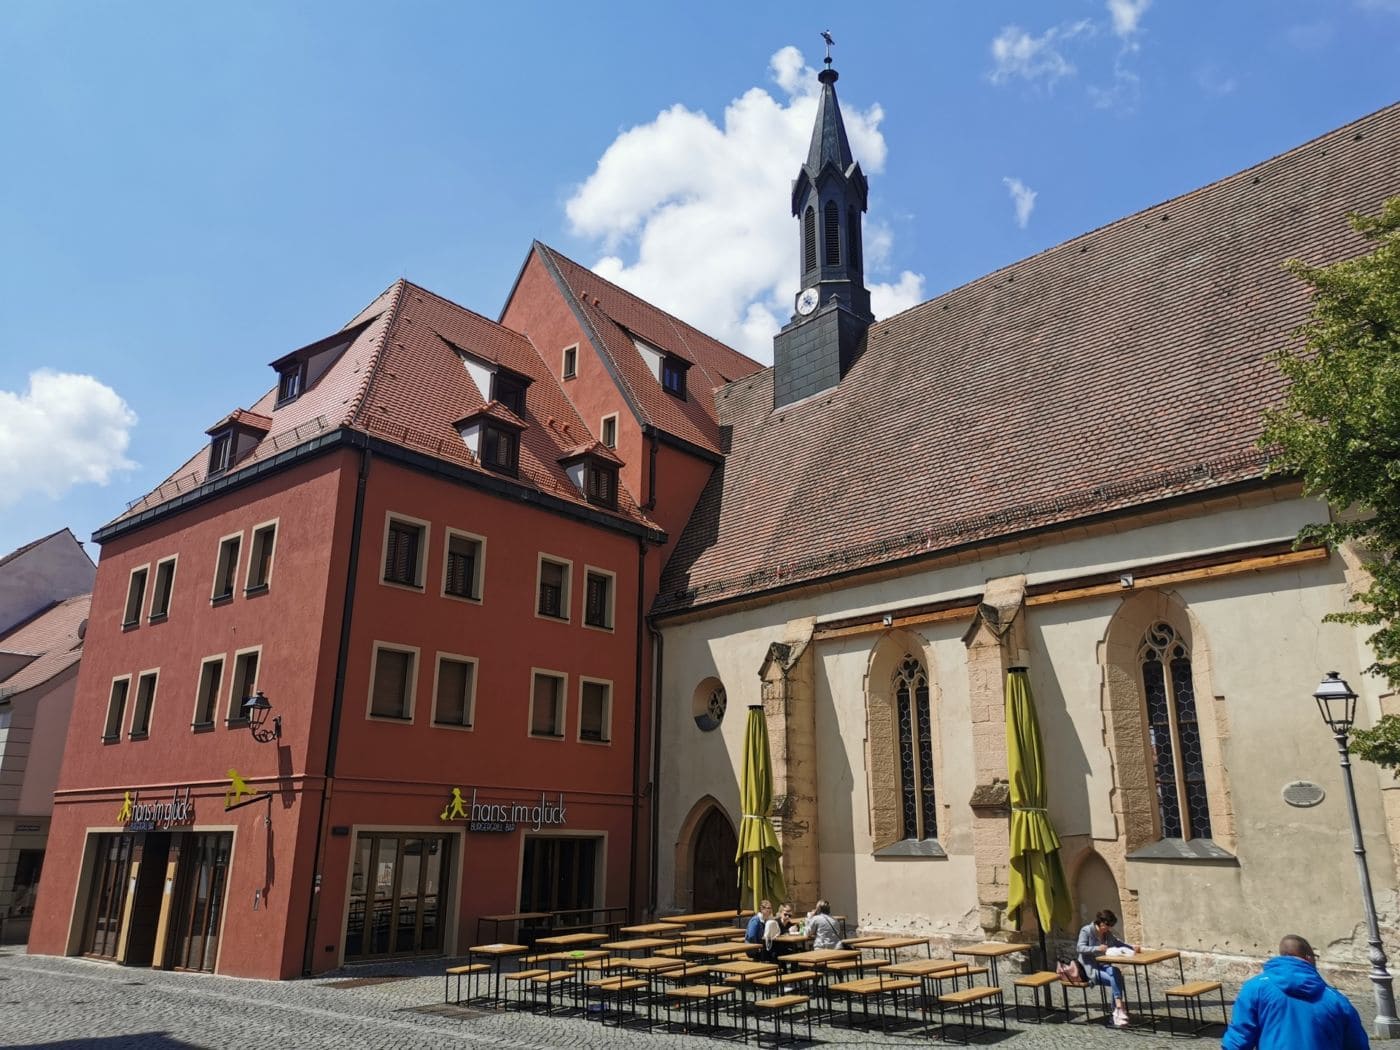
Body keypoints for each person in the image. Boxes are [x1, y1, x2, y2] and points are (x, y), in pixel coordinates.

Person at [1221, 935, 1369, 1050]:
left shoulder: (1254, 988)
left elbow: (1238, 1039)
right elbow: (1356, 1044)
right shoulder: (1335, 999)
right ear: (1309, 958)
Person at [1076, 908, 1138, 1027]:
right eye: (1108, 926)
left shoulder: (1106, 934)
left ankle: (1117, 1009)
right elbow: (1079, 948)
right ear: (1102, 923)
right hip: (1090, 969)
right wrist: (1096, 948)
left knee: (1115, 971)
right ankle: (1117, 1010)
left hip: (1103, 966)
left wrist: (1131, 947)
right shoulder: (1087, 930)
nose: (1109, 929)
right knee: (1115, 978)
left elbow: (1116, 943)